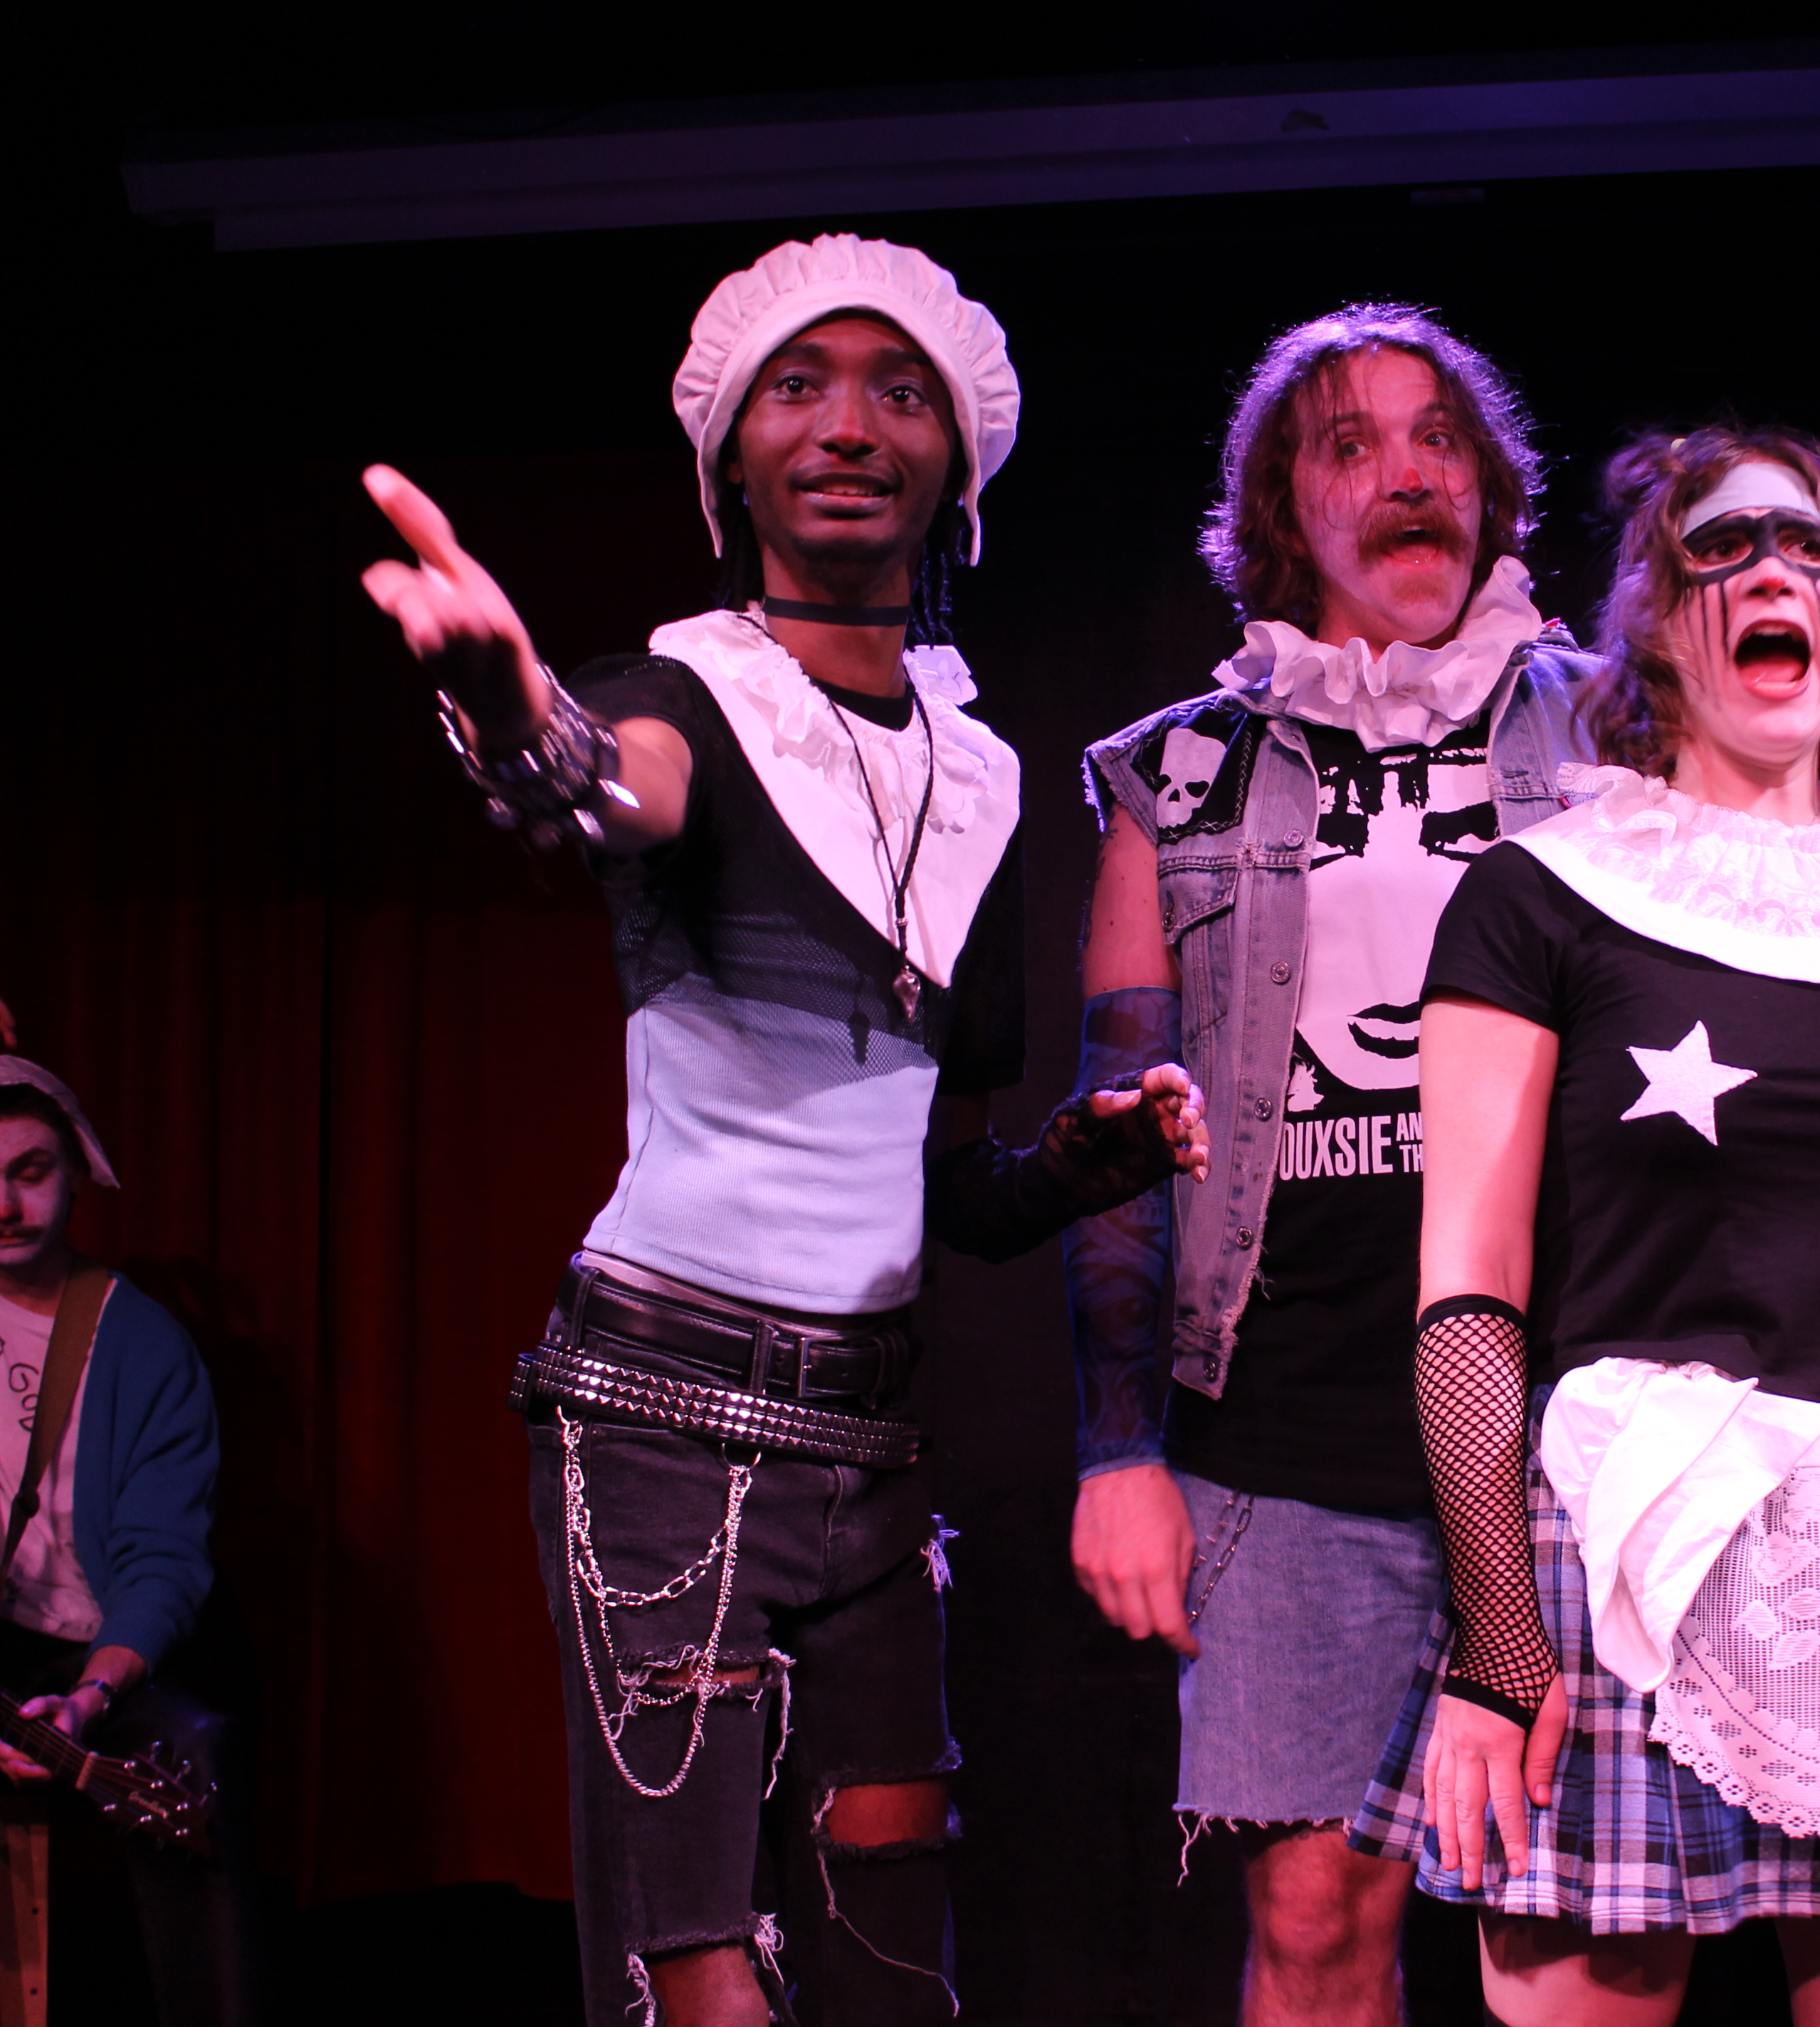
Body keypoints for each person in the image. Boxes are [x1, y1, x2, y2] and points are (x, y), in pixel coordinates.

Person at [357, 233, 1206, 2027]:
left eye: (901, 392)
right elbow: (603, 782)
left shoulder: (980, 776)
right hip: (660, 1410)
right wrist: (511, 707)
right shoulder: (684, 696)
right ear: (729, 459)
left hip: (870, 1440)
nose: (847, 426)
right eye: (796, 388)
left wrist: (1091, 1157)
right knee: (701, 1967)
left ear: (959, 469)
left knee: (892, 1942)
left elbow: (950, 1190)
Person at [1350, 426, 1820, 2026]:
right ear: (1655, 615)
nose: (1774, 574)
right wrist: (1498, 1645)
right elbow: (1469, 1290)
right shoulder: (1542, 896)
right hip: (1623, 1564)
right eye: (1724, 548)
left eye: (1812, 549)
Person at [1068, 303, 1593, 2026]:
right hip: (1290, 1420)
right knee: (1313, 1924)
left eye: (1438, 434)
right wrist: (1118, 1446)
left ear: (1489, 483)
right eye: (1350, 444)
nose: (1407, 472)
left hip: (1577, 1412)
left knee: (1574, 1939)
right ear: (1285, 509)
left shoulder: (1620, 727)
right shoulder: (1178, 770)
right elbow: (1119, 1124)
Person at [0, 1055, 251, 2023]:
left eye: (30, 1172)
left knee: (195, 1756)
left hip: (85, 1652)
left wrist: (91, 1696)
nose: (6, 1204)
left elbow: (163, 1559)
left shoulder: (139, 1343)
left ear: (74, 1174)